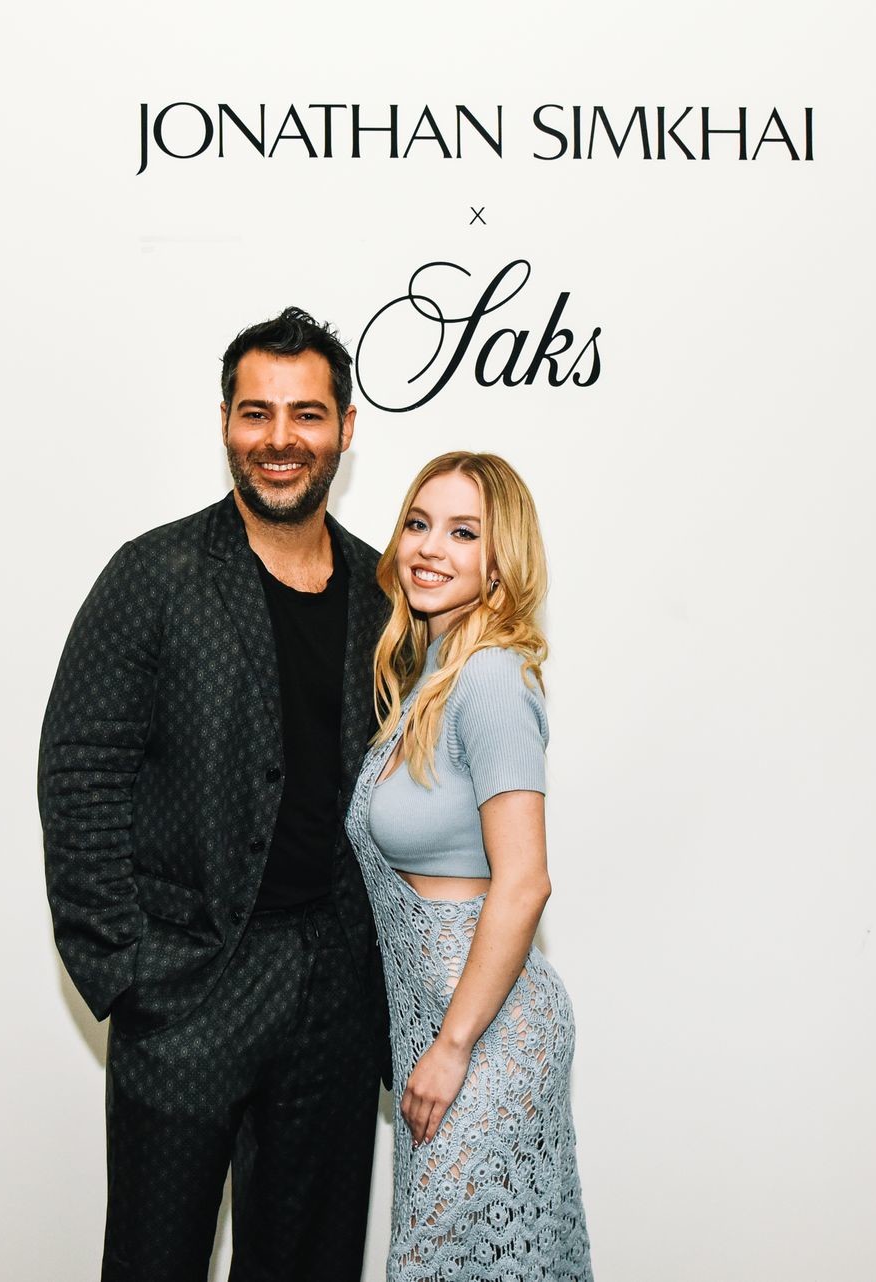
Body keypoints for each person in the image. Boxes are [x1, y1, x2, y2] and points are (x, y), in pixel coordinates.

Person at [38, 307, 389, 1282]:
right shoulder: (155, 575)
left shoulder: (386, 593)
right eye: (256, 412)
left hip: (333, 999)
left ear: (345, 428)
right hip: (187, 987)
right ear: (226, 422)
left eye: (306, 414)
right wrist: (128, 971)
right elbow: (81, 769)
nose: (280, 438)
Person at [346, 452, 593, 1281]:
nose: (429, 547)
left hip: (487, 1034)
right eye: (419, 524)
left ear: (500, 559)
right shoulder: (430, 676)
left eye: (462, 532)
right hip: (442, 1027)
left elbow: (525, 882)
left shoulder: (489, 676)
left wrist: (453, 1046)